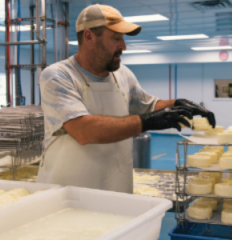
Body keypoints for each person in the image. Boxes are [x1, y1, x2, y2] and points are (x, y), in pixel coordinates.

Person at [37, 4, 216, 193]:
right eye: (116, 38)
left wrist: (178, 104)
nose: (123, 46)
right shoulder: (58, 76)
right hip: (66, 195)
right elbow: (83, 130)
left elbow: (149, 106)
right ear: (89, 36)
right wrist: (148, 122)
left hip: (115, 189)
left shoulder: (122, 74)